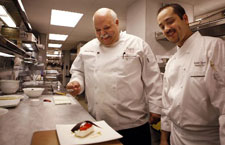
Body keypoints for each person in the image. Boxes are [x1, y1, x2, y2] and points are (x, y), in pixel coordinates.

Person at [66, 8, 163, 145]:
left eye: (106, 28)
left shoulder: (137, 45)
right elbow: (78, 72)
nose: (102, 34)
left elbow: (152, 77)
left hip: (134, 124)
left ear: (117, 23)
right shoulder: (88, 49)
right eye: (98, 30)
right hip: (98, 123)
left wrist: (156, 108)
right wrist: (76, 83)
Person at [157, 3, 225, 145]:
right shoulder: (171, 62)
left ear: (185, 19)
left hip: (206, 138)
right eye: (162, 27)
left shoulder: (213, 47)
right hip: (176, 136)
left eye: (170, 22)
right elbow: (166, 104)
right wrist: (164, 138)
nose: (166, 29)